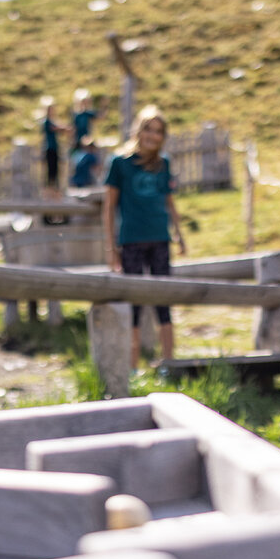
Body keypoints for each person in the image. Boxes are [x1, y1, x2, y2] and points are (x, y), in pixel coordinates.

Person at [104, 104, 186, 367]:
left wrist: (179, 233)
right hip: (131, 239)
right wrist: (111, 248)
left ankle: (169, 364)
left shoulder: (164, 163)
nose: (153, 136)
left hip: (159, 237)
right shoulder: (119, 163)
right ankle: (133, 368)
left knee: (164, 300)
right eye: (148, 129)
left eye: (158, 131)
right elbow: (109, 207)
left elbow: (168, 200)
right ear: (139, 130)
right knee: (134, 303)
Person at [41, 103, 72, 225]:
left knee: (55, 177)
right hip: (50, 151)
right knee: (51, 177)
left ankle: (55, 193)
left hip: (54, 150)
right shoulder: (46, 122)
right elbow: (57, 128)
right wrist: (66, 128)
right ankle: (51, 193)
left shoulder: (51, 122)